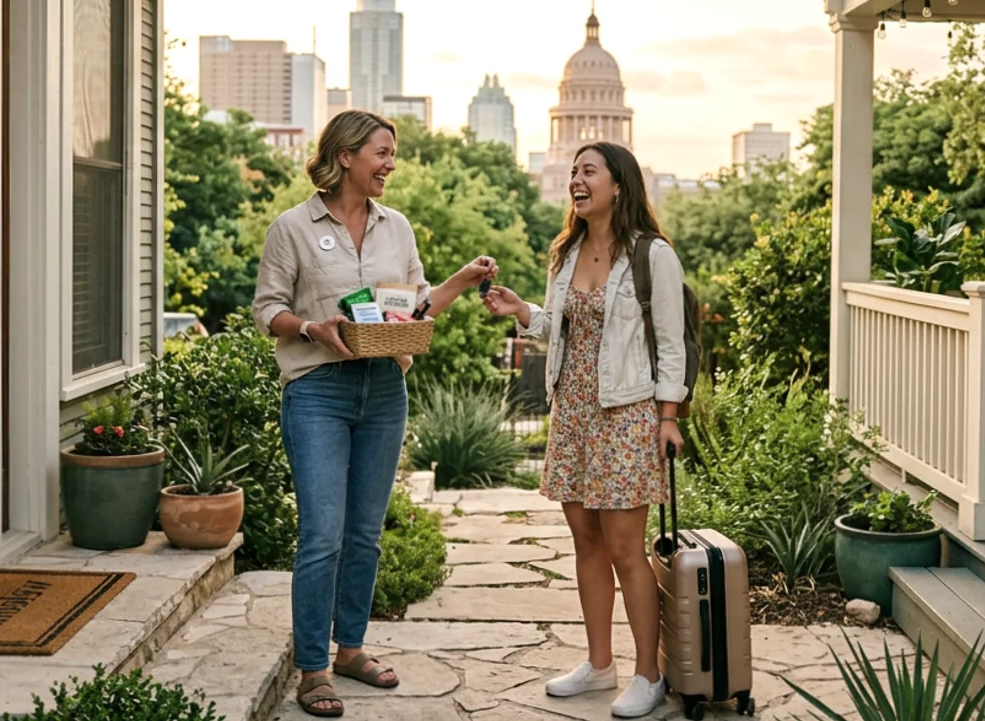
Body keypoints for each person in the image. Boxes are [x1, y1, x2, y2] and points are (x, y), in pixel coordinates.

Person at [253, 109, 496, 718]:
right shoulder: (293, 228)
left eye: (392, 153)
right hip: (318, 391)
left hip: (385, 388)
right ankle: (312, 668)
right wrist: (312, 325)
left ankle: (351, 649)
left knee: (365, 534)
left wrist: (462, 281)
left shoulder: (398, 227)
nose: (391, 163)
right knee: (321, 535)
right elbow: (268, 310)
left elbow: (411, 306)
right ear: (345, 157)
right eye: (382, 153)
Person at [483, 141, 687, 719]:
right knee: (586, 543)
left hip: (627, 414)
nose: (576, 178)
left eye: (588, 170)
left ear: (617, 184)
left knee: (626, 549)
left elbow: (670, 348)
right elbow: (558, 327)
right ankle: (600, 664)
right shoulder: (566, 252)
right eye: (573, 171)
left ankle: (648, 674)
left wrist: (667, 418)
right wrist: (522, 311)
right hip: (572, 410)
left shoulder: (652, 257)